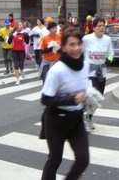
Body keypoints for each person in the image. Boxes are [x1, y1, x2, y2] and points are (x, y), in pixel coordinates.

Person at [40, 27, 90, 180]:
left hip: (76, 119)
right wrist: (72, 99)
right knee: (55, 159)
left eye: (79, 44)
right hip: (56, 120)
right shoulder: (57, 70)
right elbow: (45, 99)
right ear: (64, 48)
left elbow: (84, 89)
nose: (76, 48)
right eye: (71, 45)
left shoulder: (85, 66)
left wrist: (90, 98)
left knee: (83, 159)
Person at [82, 17, 114, 132]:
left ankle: (88, 117)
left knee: (98, 98)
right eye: (99, 26)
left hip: (102, 72)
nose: (102, 28)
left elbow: (111, 53)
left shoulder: (107, 39)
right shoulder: (87, 39)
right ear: (94, 28)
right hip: (89, 72)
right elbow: (79, 52)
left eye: (103, 25)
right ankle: (86, 120)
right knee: (93, 97)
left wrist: (109, 59)